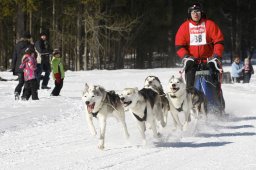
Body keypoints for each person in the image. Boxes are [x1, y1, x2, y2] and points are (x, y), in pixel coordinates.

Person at [175, 3, 225, 113]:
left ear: (201, 12)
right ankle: (190, 107)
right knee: (189, 86)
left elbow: (219, 41)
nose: (195, 14)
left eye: (197, 11)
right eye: (193, 12)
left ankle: (219, 104)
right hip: (192, 60)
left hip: (209, 59)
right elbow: (179, 46)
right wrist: (186, 57)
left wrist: (216, 56)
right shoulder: (184, 27)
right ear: (190, 14)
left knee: (215, 81)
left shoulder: (209, 24)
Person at [12, 31, 33, 100]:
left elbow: (14, 57)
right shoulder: (30, 45)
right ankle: (24, 96)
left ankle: (17, 91)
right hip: (27, 67)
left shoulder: (17, 45)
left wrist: (13, 68)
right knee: (27, 82)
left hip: (18, 67)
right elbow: (33, 56)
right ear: (29, 38)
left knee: (21, 82)